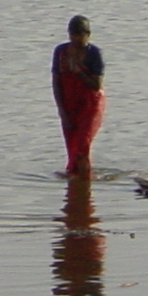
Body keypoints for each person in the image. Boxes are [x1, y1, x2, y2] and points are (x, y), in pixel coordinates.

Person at [52, 14, 106, 175]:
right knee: (73, 151)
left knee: (82, 146)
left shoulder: (94, 54)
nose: (76, 39)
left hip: (91, 104)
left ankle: (85, 184)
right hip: (70, 104)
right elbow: (56, 82)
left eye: (80, 35)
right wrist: (62, 112)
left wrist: (78, 71)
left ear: (87, 35)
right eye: (72, 35)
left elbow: (97, 85)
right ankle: (75, 192)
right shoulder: (61, 52)